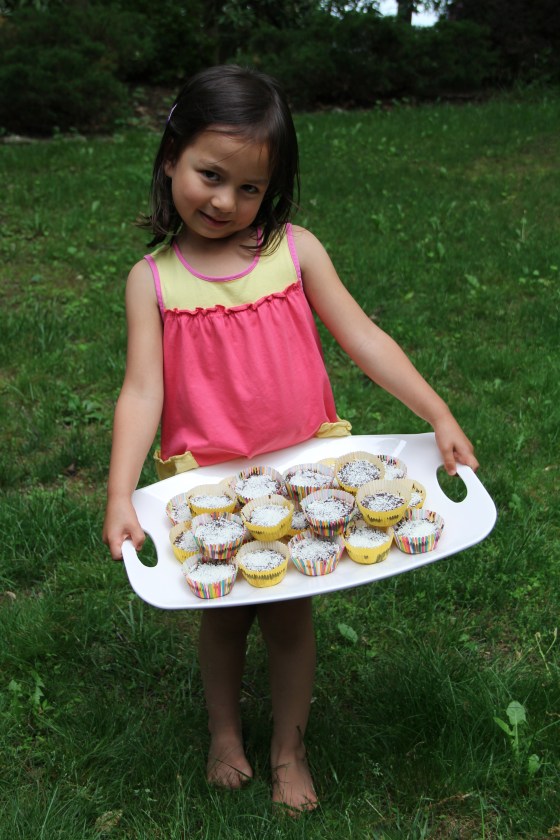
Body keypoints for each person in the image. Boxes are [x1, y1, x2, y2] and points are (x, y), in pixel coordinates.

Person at [103, 64, 478, 813]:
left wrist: (438, 412)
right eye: (211, 174)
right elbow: (142, 390)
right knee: (221, 617)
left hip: (309, 477)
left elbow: (364, 337)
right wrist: (119, 491)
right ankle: (223, 734)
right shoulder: (151, 282)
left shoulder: (294, 251)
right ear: (171, 154)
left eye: (250, 189)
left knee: (289, 614)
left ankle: (289, 747)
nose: (225, 201)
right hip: (210, 482)